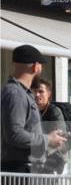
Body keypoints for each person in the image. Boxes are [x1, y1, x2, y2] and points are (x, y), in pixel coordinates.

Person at [1, 45, 66, 174]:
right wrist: (48, 139)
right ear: (36, 66)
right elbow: (15, 134)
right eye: (40, 67)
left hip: (23, 169)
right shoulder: (16, 93)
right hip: (21, 170)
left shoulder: (17, 92)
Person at [30, 78, 71, 175]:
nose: (37, 95)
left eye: (41, 91)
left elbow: (60, 138)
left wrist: (42, 147)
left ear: (48, 94)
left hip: (55, 158)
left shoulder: (55, 112)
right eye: (35, 91)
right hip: (36, 158)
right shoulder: (31, 111)